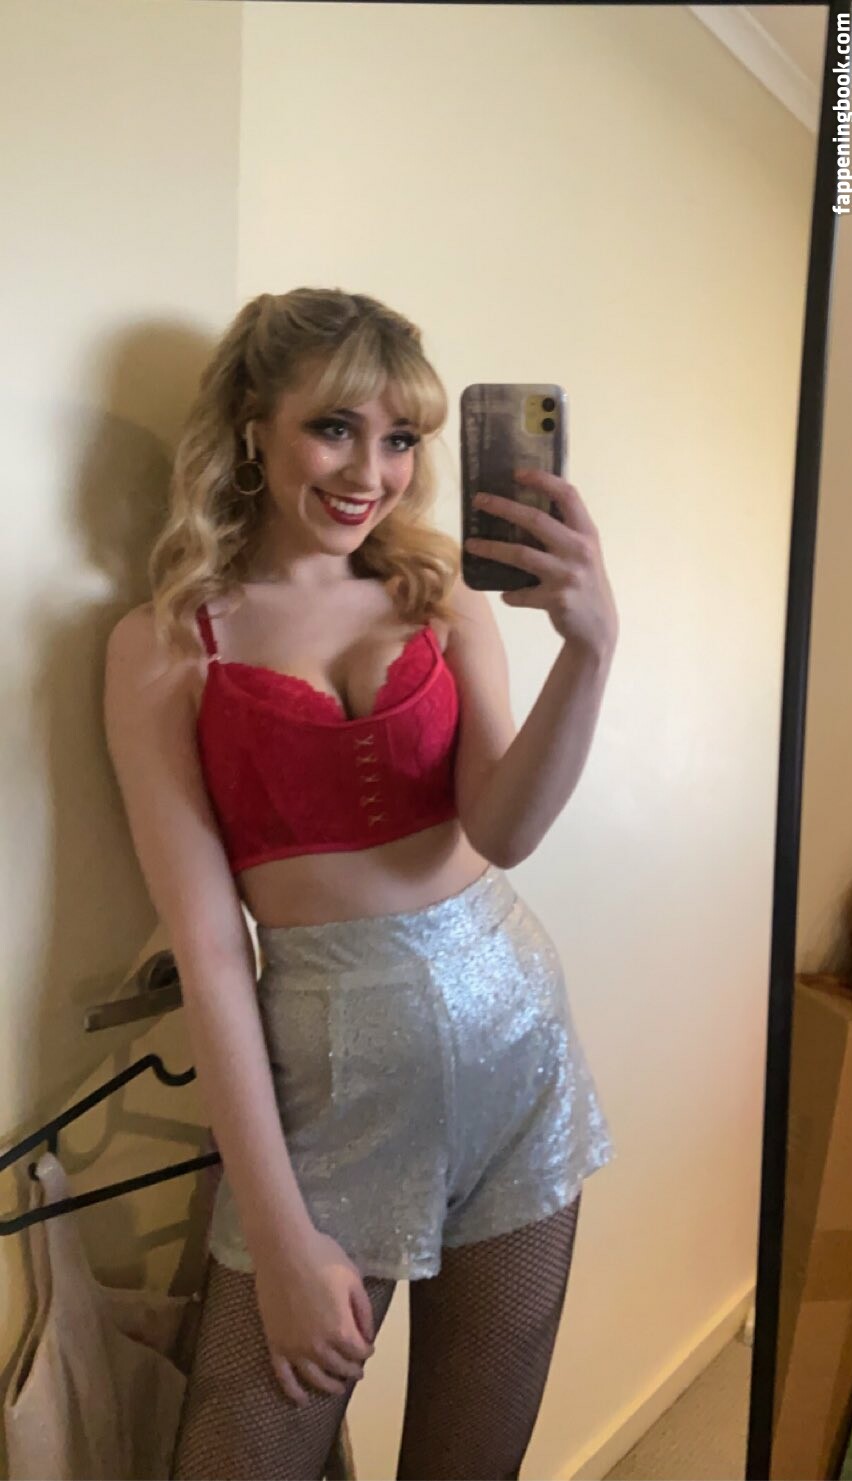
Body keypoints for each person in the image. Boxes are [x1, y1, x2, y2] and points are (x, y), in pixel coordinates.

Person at [103, 287, 619, 1481]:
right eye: (333, 427)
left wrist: (589, 650)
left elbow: (505, 826)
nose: (371, 473)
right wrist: (279, 1234)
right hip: (329, 1088)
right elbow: (212, 949)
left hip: (517, 1047)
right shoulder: (168, 641)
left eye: (400, 438)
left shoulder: (440, 598)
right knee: (236, 1455)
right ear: (253, 426)